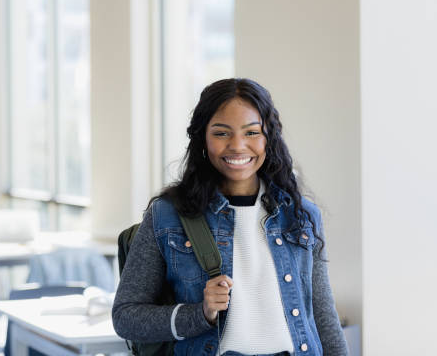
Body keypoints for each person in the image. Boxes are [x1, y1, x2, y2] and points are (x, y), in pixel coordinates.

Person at [113, 78, 348, 356]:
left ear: (269, 138)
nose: (237, 146)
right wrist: (200, 314)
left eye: (251, 132)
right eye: (222, 133)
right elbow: (126, 317)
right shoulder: (168, 216)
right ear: (202, 138)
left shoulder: (302, 215)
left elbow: (323, 317)